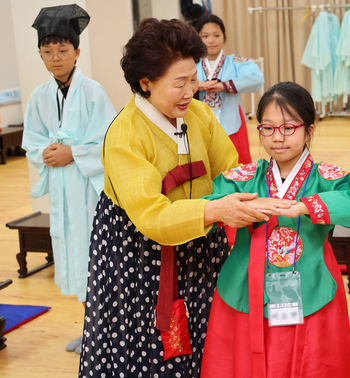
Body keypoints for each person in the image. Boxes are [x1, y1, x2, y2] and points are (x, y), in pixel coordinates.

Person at [78, 19, 293, 378]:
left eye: (192, 79)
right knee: (151, 338)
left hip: (200, 234)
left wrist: (280, 189)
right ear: (145, 83)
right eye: (179, 83)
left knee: (208, 325)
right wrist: (214, 210)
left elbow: (232, 170)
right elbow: (151, 215)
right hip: (140, 250)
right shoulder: (125, 137)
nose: (190, 90)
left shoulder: (198, 114)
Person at [200, 82, 350, 378]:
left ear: (309, 129)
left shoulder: (325, 177)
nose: (277, 138)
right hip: (246, 288)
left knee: (312, 364)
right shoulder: (245, 178)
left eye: (288, 128)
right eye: (267, 128)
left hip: (311, 285)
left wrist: (306, 206)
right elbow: (206, 205)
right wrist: (240, 207)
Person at [22, 4, 116, 354]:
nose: (56, 58)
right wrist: (46, 153)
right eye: (48, 53)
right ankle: (91, 330)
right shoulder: (39, 96)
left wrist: (73, 153)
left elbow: (108, 140)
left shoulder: (92, 91)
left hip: (89, 190)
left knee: (96, 258)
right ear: (40, 55)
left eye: (63, 51)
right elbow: (32, 139)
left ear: (77, 52)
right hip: (63, 188)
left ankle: (106, 331)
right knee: (76, 259)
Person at [194, 14, 264, 165]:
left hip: (231, 123)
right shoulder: (192, 64)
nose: (211, 40)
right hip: (200, 125)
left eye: (216, 35)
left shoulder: (235, 62)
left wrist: (224, 85)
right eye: (205, 36)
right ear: (198, 38)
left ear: (224, 36)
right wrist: (198, 85)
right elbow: (180, 82)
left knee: (236, 164)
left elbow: (257, 78)